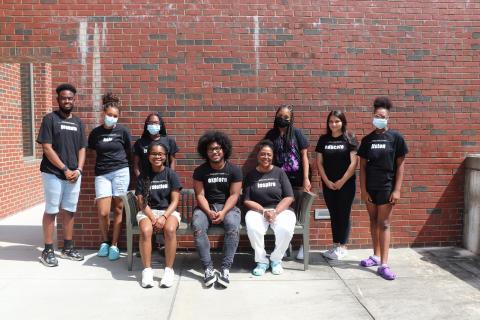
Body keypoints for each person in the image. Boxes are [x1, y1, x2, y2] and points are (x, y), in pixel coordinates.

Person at [358, 97, 408, 280]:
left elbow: (400, 165)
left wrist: (397, 190)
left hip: (387, 187)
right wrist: (363, 189)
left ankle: (384, 264)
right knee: (373, 221)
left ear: (388, 118)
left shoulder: (396, 138)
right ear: (373, 116)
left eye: (382, 116)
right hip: (371, 188)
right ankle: (376, 256)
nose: (379, 118)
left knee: (384, 223)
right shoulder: (367, 140)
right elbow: (362, 166)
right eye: (376, 115)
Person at [37, 83, 86, 267]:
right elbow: (47, 148)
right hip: (53, 173)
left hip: (74, 174)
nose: (67, 101)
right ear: (58, 99)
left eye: (70, 98)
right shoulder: (50, 119)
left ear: (74, 100)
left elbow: (82, 148)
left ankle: (67, 247)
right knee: (52, 210)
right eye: (63, 98)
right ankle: (48, 250)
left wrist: (78, 170)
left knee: (69, 210)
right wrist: (64, 169)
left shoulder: (78, 122)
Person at [192, 131, 242, 288]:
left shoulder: (234, 170)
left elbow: (234, 195)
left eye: (218, 148)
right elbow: (200, 195)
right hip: (206, 207)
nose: (215, 152)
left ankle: (225, 268)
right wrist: (208, 211)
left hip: (229, 207)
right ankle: (208, 268)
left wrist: (224, 211)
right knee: (198, 227)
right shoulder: (200, 171)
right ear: (205, 152)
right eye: (211, 149)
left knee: (233, 227)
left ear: (224, 149)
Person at [87, 92, 132, 261]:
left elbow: (129, 151)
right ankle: (105, 241)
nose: (112, 118)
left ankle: (114, 244)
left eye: (115, 116)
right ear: (103, 114)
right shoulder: (95, 133)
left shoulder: (123, 131)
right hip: (102, 175)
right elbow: (91, 151)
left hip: (121, 171)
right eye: (109, 115)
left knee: (119, 209)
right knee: (104, 211)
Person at [265, 104, 311, 260]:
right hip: (280, 180)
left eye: (286, 117)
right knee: (282, 212)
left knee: (302, 213)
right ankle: (284, 245)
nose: (283, 119)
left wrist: (306, 178)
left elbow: (304, 156)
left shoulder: (297, 133)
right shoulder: (271, 134)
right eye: (280, 116)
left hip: (298, 179)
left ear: (291, 119)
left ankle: (305, 246)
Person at [244, 140, 296, 276]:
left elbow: (289, 196)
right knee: (254, 228)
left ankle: (275, 259)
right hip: (257, 211)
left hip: (280, 210)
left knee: (285, 229)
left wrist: (275, 212)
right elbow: (247, 200)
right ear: (258, 156)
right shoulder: (251, 175)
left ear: (272, 156)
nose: (265, 157)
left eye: (268, 154)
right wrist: (263, 211)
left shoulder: (279, 173)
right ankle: (261, 261)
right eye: (262, 154)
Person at [135, 142, 182, 288]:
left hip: (168, 211)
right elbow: (141, 202)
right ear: (149, 156)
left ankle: (168, 270)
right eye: (154, 154)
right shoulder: (143, 176)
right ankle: (147, 271)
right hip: (147, 211)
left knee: (169, 230)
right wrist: (153, 217)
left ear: (165, 156)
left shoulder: (170, 174)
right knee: (146, 230)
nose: (157, 156)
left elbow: (175, 200)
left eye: (160, 154)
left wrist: (164, 217)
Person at [315, 111, 358, 260]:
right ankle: (335, 245)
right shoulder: (323, 139)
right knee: (333, 213)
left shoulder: (349, 138)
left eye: (337, 121)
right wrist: (326, 181)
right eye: (331, 121)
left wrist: (342, 181)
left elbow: (354, 163)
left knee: (343, 213)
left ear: (343, 122)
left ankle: (343, 246)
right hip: (328, 184)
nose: (333, 124)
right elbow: (319, 163)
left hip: (346, 184)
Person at [133, 112, 179, 177]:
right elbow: (136, 165)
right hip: (147, 179)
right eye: (151, 123)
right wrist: (140, 180)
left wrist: (170, 176)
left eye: (156, 122)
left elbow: (172, 162)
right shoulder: (140, 143)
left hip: (164, 178)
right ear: (147, 125)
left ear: (160, 125)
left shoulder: (169, 141)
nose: (153, 125)